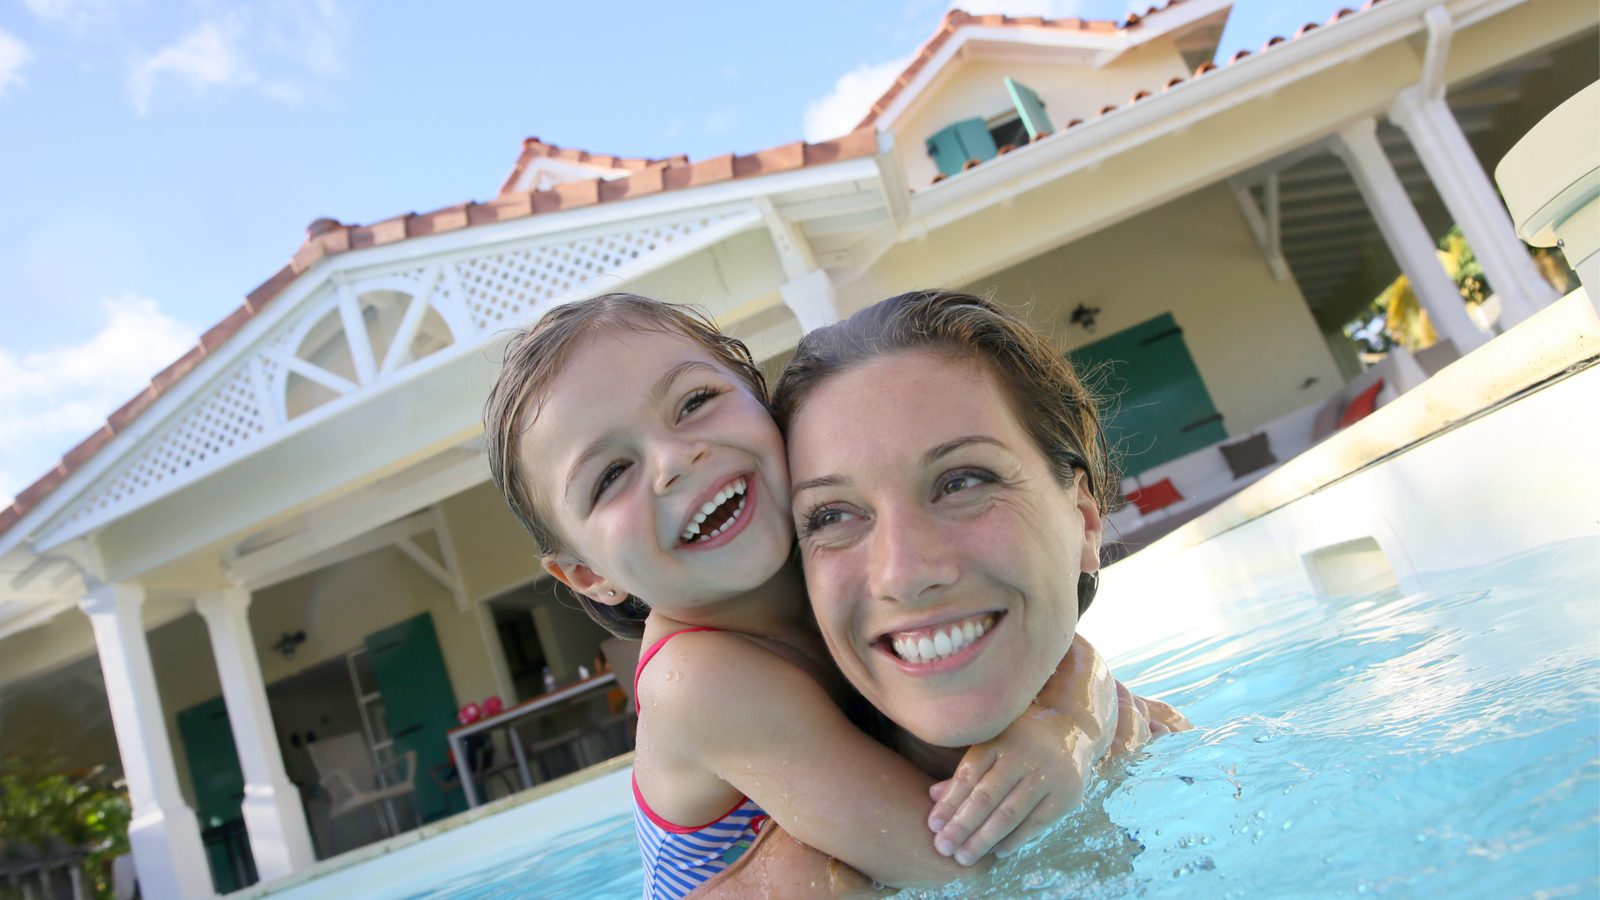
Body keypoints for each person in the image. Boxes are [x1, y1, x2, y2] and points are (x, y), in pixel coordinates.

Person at [483, 293, 1165, 899]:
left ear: (764, 406)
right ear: (587, 576)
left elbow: (1058, 646)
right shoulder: (696, 680)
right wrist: (1079, 724)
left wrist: (1067, 724)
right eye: (610, 475)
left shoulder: (842, 568)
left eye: (695, 403)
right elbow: (956, 859)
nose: (674, 461)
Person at [696, 289, 1191, 895]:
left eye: (961, 481)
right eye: (831, 516)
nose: (903, 573)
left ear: (1085, 520)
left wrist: (1075, 717)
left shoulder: (1159, 742)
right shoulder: (808, 880)